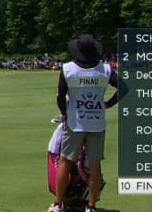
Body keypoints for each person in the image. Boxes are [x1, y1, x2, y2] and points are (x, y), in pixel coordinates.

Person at [48, 34, 124, 212]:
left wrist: (63, 113)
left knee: (66, 161)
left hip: (75, 121)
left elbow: (61, 96)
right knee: (95, 164)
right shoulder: (105, 69)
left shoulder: (68, 69)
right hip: (97, 122)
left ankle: (58, 204)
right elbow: (124, 88)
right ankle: (91, 206)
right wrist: (107, 104)